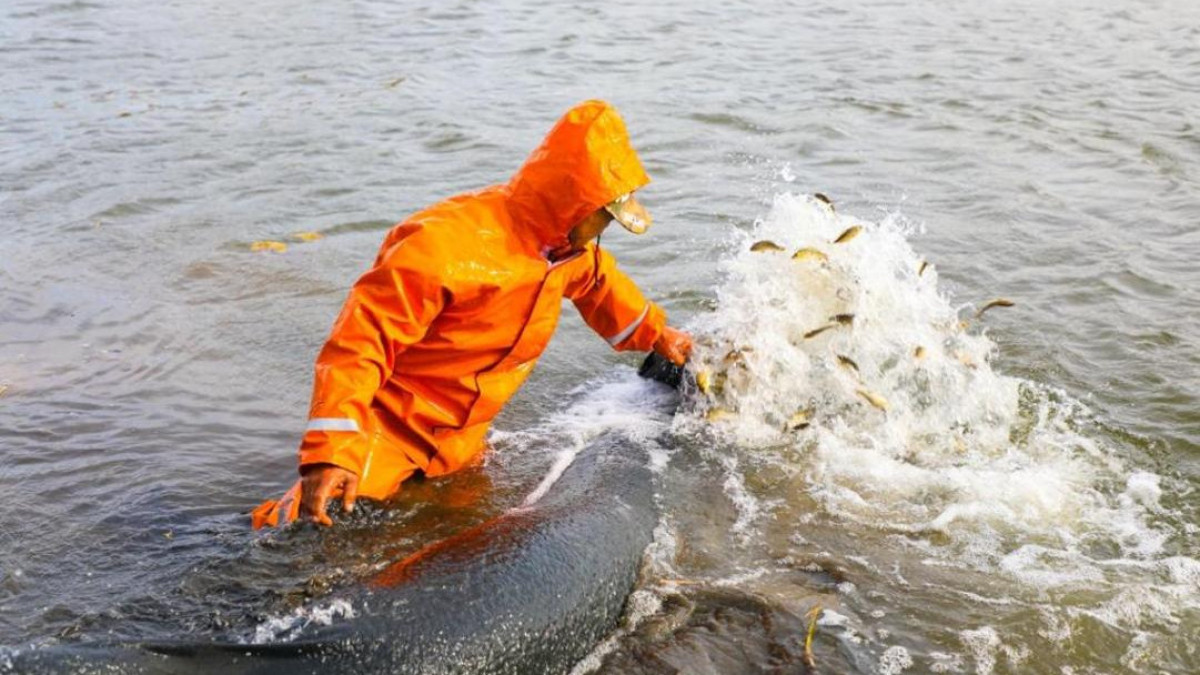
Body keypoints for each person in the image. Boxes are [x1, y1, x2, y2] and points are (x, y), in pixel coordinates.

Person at [250, 100, 693, 528]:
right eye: (605, 215)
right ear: (574, 204)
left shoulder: (567, 252)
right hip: (388, 429)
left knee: (462, 533)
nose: (608, 228)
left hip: (463, 440)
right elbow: (359, 345)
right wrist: (330, 452)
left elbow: (602, 286)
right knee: (308, 524)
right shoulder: (441, 248)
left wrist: (660, 336)